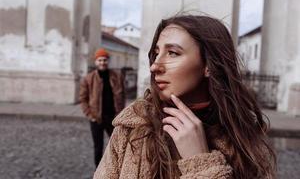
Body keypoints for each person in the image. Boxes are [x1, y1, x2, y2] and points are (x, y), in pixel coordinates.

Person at [94, 15, 276, 178]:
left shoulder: (245, 141)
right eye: (156, 53)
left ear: (209, 66)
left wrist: (201, 164)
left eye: (173, 53)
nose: (154, 66)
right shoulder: (134, 125)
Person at [79, 48, 125, 167]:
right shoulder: (88, 79)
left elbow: (122, 96)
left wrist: (120, 114)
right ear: (96, 62)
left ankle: (116, 168)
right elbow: (83, 99)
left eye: (104, 60)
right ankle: (98, 171)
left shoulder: (117, 76)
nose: (102, 62)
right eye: (100, 60)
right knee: (98, 146)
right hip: (97, 118)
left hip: (113, 117)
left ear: (107, 61)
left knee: (117, 145)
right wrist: (90, 115)